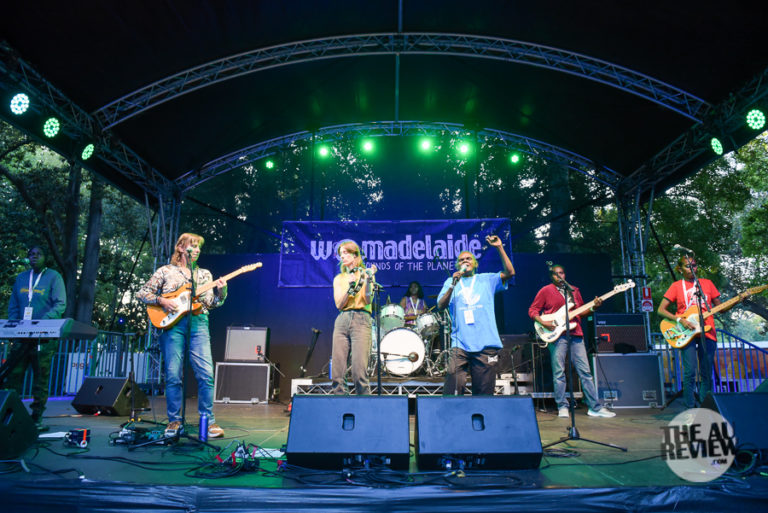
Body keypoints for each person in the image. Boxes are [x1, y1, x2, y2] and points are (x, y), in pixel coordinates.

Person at [136, 233, 227, 438]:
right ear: (180, 247)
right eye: (193, 246)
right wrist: (162, 301)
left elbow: (211, 303)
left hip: (198, 323)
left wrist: (222, 292)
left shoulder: (204, 274)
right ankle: (174, 420)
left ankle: (208, 421)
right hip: (173, 326)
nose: (197, 250)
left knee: (206, 374)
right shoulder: (166, 271)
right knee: (173, 374)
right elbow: (142, 293)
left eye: (199, 247)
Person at [528, 264, 616, 418]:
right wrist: (543, 322)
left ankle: (594, 407)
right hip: (556, 335)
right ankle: (562, 406)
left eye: (561, 273)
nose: (559, 276)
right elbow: (532, 310)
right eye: (556, 274)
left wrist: (594, 307)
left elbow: (580, 312)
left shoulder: (574, 290)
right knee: (559, 372)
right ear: (551, 277)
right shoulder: (545, 291)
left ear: (565, 274)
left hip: (576, 334)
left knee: (585, 372)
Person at [437, 235, 515, 395]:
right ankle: (452, 412)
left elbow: (510, 272)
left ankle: (480, 412)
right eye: (461, 260)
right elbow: (440, 305)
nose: (465, 261)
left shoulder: (487, 279)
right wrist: (452, 285)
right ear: (457, 265)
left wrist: (499, 247)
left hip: (485, 344)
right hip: (460, 344)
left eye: (468, 259)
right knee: (452, 386)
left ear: (475, 263)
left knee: (483, 393)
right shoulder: (450, 282)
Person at [5, 245, 66, 431]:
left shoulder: (54, 277)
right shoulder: (22, 278)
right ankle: (11, 415)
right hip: (22, 336)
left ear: (45, 257)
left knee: (40, 379)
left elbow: (60, 304)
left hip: (43, 338)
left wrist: (42, 323)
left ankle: (36, 417)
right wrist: (15, 326)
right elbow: (14, 304)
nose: (34, 257)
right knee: (13, 376)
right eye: (31, 254)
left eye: (38, 254)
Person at [657, 255, 721, 409]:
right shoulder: (676, 286)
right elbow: (661, 310)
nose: (692, 268)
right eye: (688, 266)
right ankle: (689, 407)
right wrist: (680, 320)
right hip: (686, 332)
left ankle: (706, 407)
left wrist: (738, 300)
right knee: (690, 372)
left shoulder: (707, 283)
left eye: (694, 265)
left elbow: (721, 308)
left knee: (707, 372)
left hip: (707, 331)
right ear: (680, 269)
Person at [331, 240, 377, 395]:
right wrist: (350, 288)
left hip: (361, 319)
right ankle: (339, 402)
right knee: (338, 371)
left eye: (345, 253)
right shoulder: (339, 278)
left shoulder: (366, 274)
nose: (342, 257)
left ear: (355, 255)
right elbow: (339, 304)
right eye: (341, 254)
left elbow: (368, 300)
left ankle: (364, 404)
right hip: (342, 319)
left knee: (359, 371)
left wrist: (369, 280)